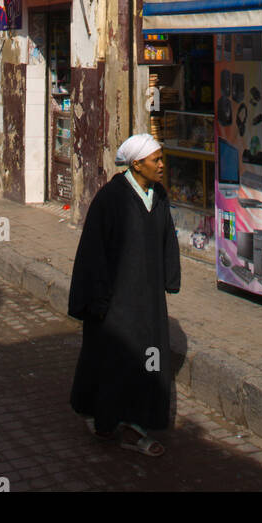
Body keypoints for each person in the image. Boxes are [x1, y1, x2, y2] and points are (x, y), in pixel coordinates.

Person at [68, 133, 181, 457]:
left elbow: (167, 239)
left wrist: (170, 278)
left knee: (150, 361)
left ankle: (139, 421)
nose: (161, 165)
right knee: (116, 361)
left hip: (148, 300)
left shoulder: (157, 196)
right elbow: (93, 252)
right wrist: (98, 300)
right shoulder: (111, 199)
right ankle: (107, 421)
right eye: (155, 160)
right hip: (116, 301)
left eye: (161, 158)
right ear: (136, 164)